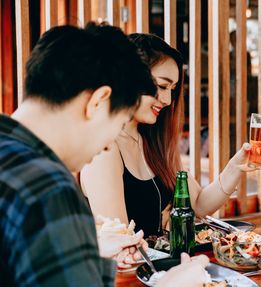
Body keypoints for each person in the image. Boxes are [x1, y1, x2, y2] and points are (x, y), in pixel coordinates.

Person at [0, 23, 209, 286]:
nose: (109, 146)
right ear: (98, 101)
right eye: (117, 123)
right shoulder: (47, 187)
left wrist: (87, 250)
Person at [80, 33, 261, 237]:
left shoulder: (151, 140)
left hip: (157, 265)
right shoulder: (104, 151)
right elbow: (119, 242)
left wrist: (236, 167)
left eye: (172, 89)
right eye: (162, 86)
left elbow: (198, 204)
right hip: (132, 267)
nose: (168, 100)